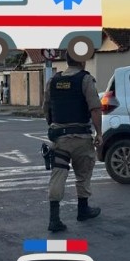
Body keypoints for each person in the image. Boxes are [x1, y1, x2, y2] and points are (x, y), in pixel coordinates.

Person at [41, 57, 102, 232]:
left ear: (67, 61)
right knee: (83, 173)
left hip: (59, 138)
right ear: (82, 61)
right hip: (81, 138)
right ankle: (83, 209)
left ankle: (54, 219)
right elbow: (95, 108)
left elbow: (46, 108)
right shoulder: (85, 79)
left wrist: (54, 126)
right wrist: (99, 133)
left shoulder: (53, 81)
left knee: (58, 174)